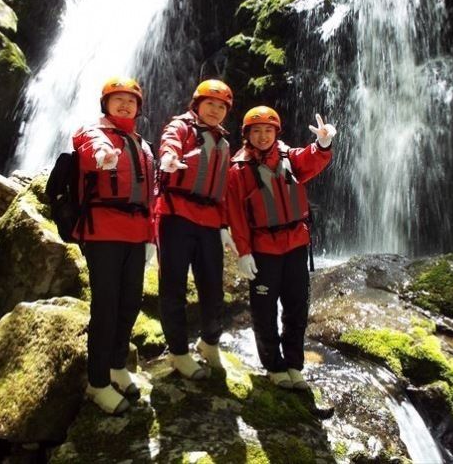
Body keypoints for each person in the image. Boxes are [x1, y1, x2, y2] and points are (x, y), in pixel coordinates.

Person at [226, 107, 336, 391]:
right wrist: (244, 251)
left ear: (276, 133)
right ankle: (274, 366)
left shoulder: (288, 157)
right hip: (264, 249)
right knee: (264, 311)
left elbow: (311, 160)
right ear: (247, 135)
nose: (263, 136)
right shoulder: (238, 170)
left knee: (297, 308)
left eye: (268, 130)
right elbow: (236, 215)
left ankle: (294, 365)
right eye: (256, 131)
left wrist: (323, 143)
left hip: (296, 245)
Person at [72, 76, 155, 415]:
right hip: (103, 232)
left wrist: (152, 237)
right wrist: (103, 155)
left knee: (130, 303)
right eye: (117, 99)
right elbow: (91, 150)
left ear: (138, 108)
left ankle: (117, 365)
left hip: (136, 235)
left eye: (131, 100)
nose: (125, 105)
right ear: (105, 104)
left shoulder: (143, 145)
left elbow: (151, 196)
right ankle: (97, 382)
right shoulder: (93, 133)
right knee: (105, 307)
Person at [156, 79, 239, 379]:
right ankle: (178, 353)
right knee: (173, 287)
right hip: (176, 215)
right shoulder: (181, 128)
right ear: (197, 105)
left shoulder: (224, 142)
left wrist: (225, 226)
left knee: (214, 288)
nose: (215, 111)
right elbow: (170, 143)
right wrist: (168, 158)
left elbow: (225, 189)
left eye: (221, 107)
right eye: (210, 104)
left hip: (209, 222)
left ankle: (209, 342)